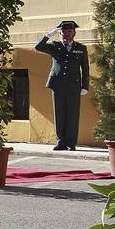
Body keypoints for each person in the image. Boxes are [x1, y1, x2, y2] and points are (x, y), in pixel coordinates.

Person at [35, 20, 89, 151]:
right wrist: (49, 34)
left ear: (74, 33)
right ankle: (61, 142)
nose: (67, 34)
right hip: (57, 84)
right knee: (59, 114)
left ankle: (71, 142)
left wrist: (85, 86)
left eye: (69, 31)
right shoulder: (55, 45)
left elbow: (85, 68)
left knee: (72, 114)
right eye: (64, 31)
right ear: (60, 33)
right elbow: (38, 47)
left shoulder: (81, 48)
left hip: (73, 86)